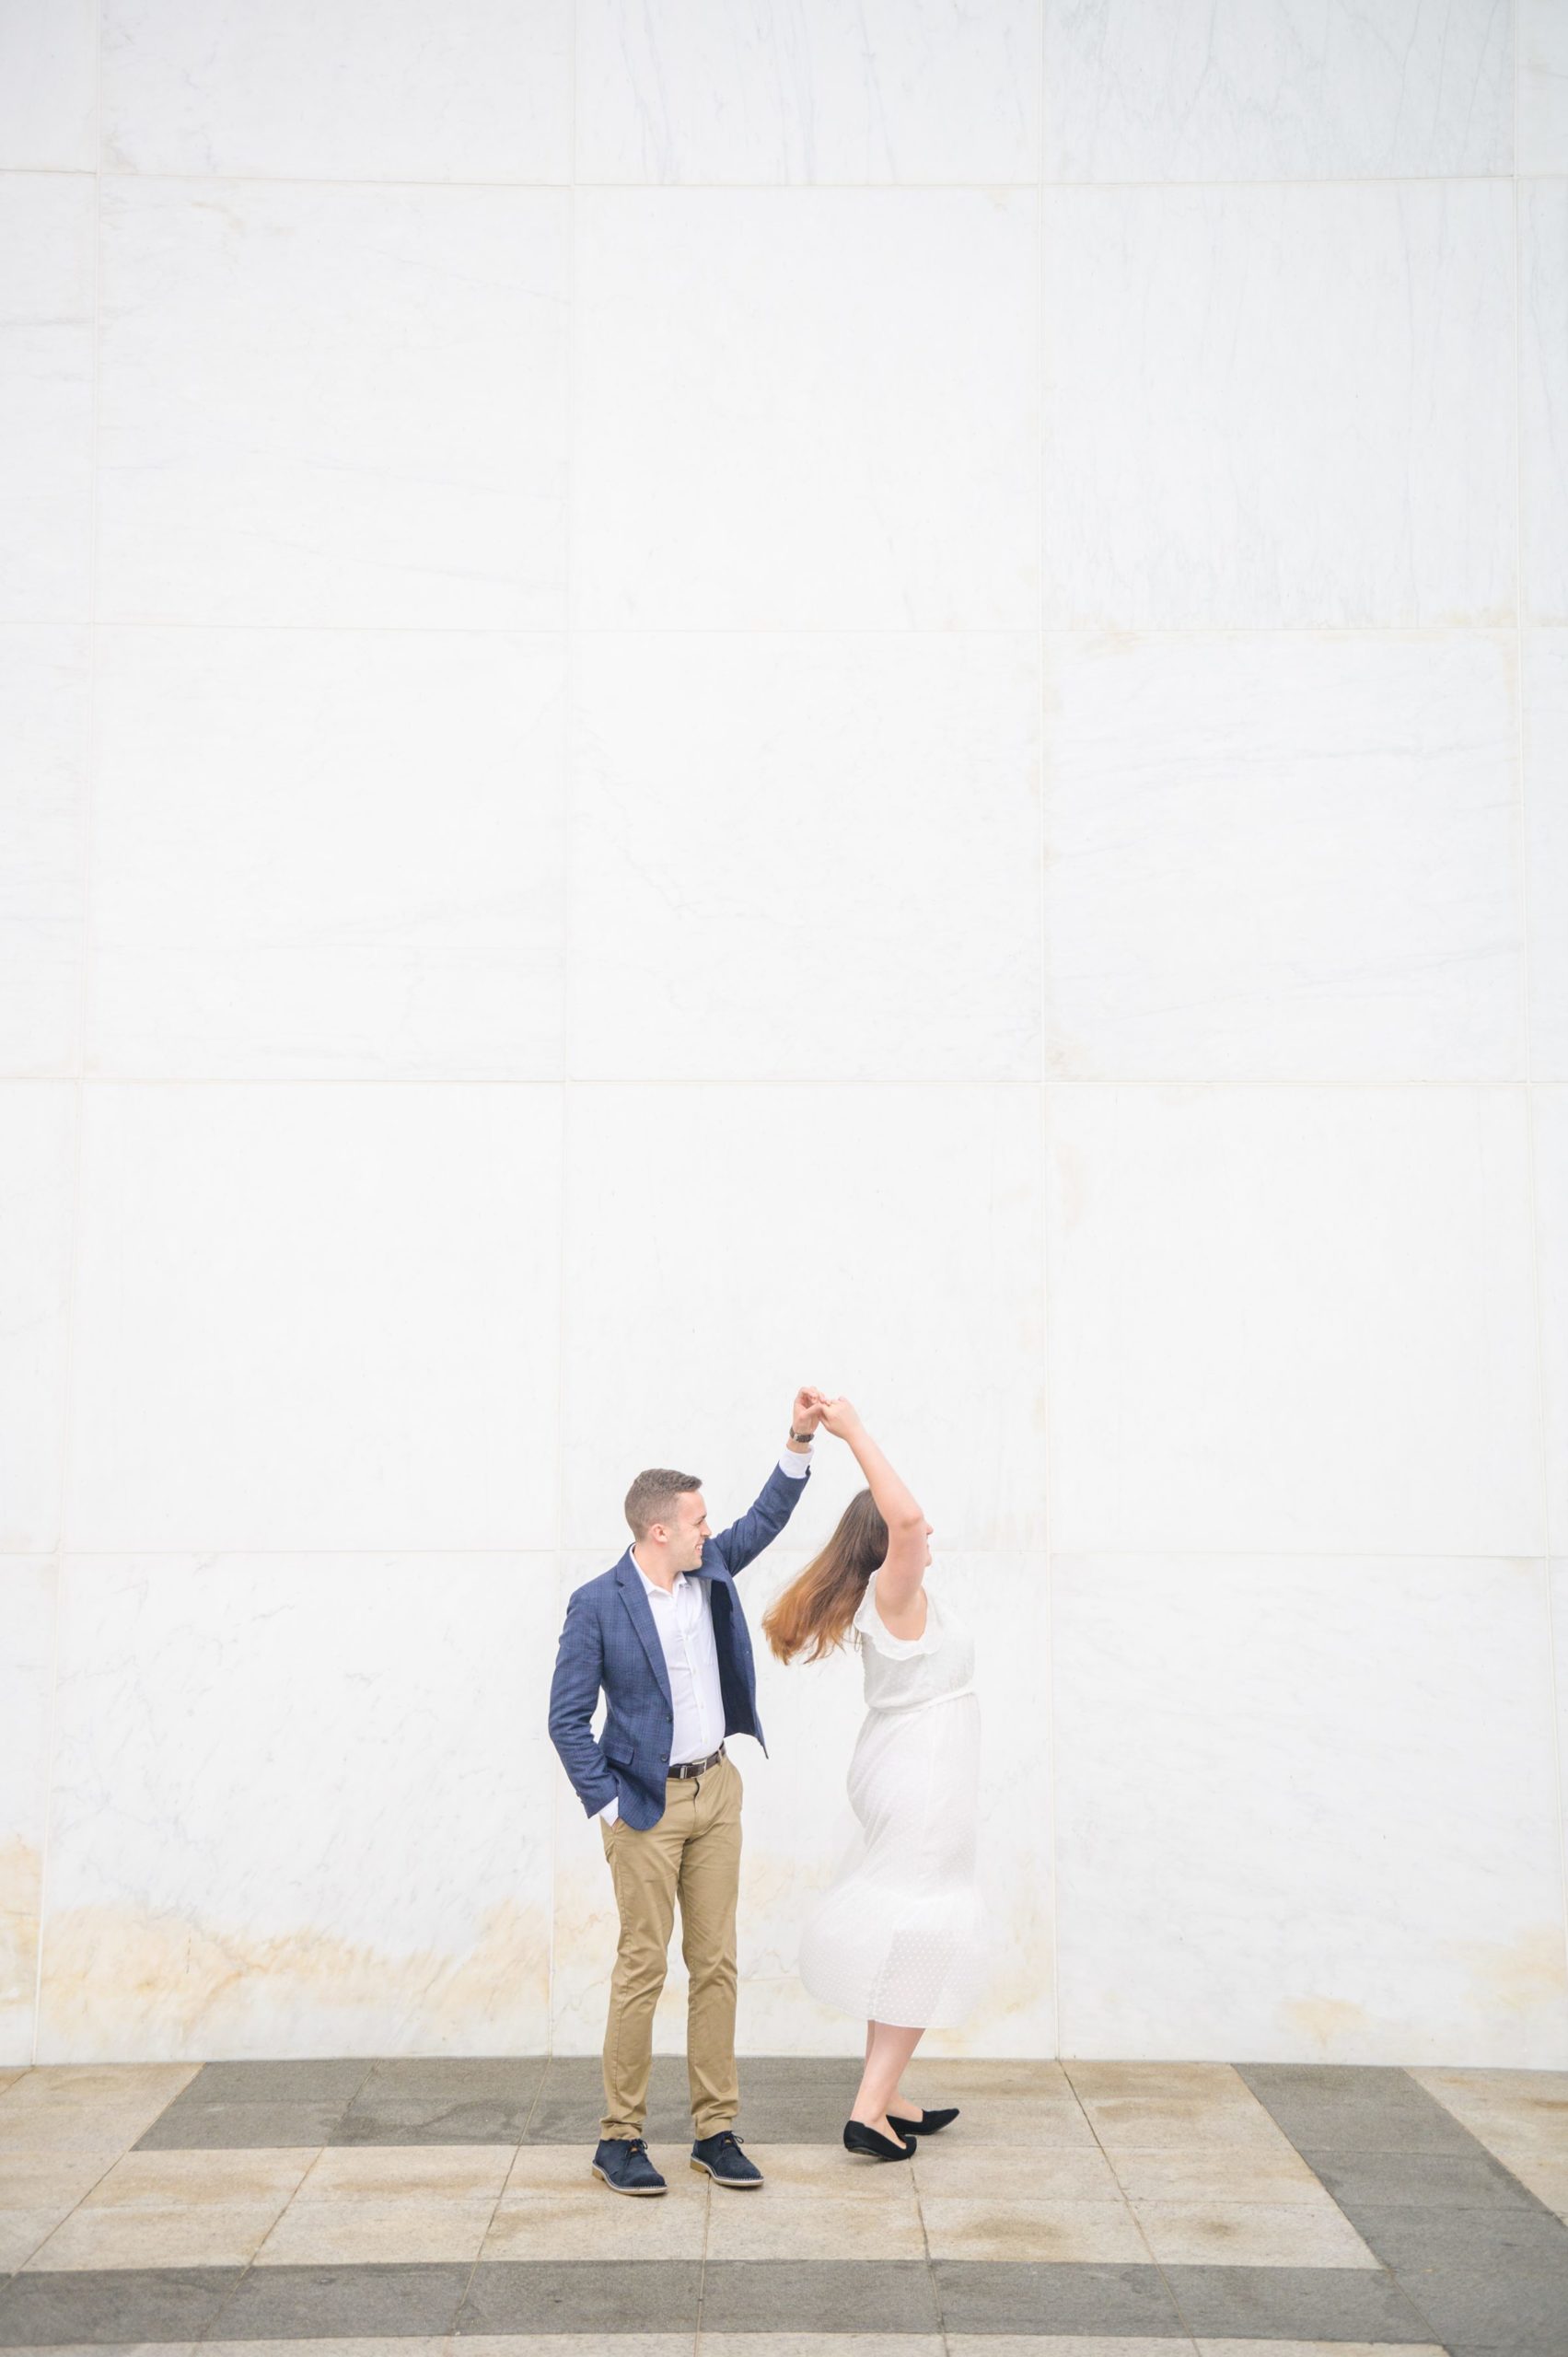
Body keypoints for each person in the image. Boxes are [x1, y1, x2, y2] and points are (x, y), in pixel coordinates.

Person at [548, 1387, 826, 2196]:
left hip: (717, 1794)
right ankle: (620, 2138)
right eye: (698, 1521)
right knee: (643, 1965)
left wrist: (799, 1439)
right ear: (658, 1530)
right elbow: (567, 1719)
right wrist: (609, 1807)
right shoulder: (597, 1605)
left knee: (716, 1964)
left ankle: (715, 2131)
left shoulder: (709, 1572)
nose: (712, 1531)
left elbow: (765, 1518)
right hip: (643, 1808)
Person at [762, 1397, 981, 2160]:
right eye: (905, 1534)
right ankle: (866, 2110)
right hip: (920, 1776)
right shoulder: (895, 1590)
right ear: (886, 1543)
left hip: (911, 1765)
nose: (926, 1534)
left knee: (909, 1925)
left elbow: (911, 1523)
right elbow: (912, 1521)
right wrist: (852, 1431)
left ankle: (887, 2095)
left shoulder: (898, 1599)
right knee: (925, 1928)